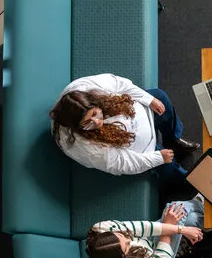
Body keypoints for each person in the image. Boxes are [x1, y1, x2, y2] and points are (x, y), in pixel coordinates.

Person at [49, 74, 200, 187]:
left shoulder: (85, 87)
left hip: (139, 113)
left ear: (94, 101)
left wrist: (149, 100)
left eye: (95, 114)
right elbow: (122, 162)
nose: (97, 122)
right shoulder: (84, 148)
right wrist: (158, 158)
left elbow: (121, 84)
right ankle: (186, 183)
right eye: (88, 123)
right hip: (144, 150)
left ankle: (173, 139)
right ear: (77, 126)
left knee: (159, 97)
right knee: (168, 165)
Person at [85, 198, 204, 258]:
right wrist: (172, 227)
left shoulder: (100, 228)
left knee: (181, 213)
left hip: (145, 242)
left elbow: (142, 228)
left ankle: (207, 214)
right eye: (127, 246)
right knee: (178, 211)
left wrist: (181, 229)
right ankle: (206, 206)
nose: (129, 240)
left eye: (121, 235)